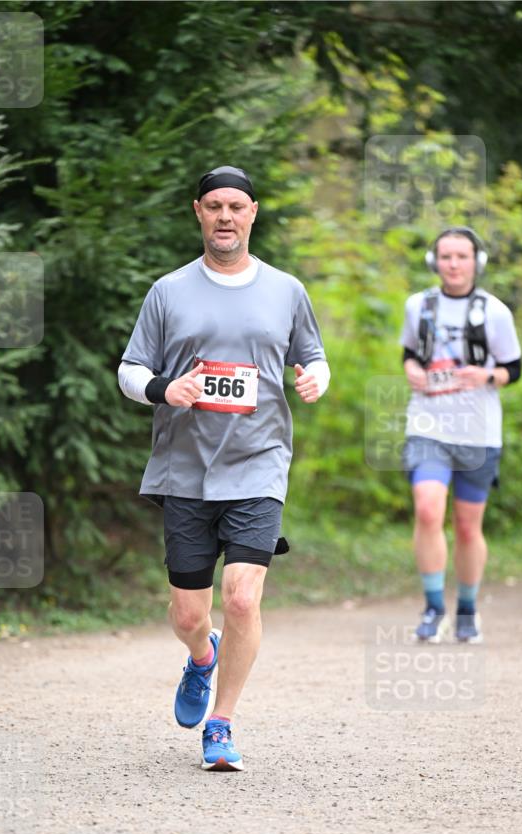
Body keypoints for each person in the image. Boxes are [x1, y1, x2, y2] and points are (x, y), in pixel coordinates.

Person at [118, 166, 330, 771]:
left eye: (236, 206)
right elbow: (130, 369)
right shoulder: (168, 291)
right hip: (185, 466)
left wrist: (316, 377)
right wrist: (165, 389)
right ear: (198, 212)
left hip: (259, 463)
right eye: (214, 206)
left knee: (241, 599)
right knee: (190, 612)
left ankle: (222, 723)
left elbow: (311, 355)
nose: (225, 217)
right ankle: (202, 656)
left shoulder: (286, 289)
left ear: (253, 213)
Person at [400, 226, 522, 643]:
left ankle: (467, 608)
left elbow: (514, 369)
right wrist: (412, 370)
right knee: (428, 509)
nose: (453, 264)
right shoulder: (419, 306)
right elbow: (411, 353)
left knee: (469, 526)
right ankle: (434, 607)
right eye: (446, 256)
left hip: (478, 431)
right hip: (428, 425)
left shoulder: (495, 312)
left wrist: (487, 374)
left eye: (462, 256)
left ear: (477, 262)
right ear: (435, 262)